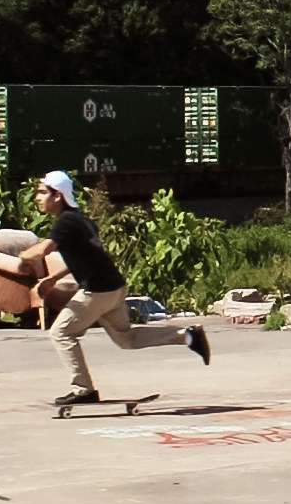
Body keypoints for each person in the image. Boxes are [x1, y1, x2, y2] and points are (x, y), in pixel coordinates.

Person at [28, 168, 212, 400]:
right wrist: (54, 278)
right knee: (126, 339)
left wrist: (22, 257)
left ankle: (83, 389)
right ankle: (187, 335)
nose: (37, 198)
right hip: (113, 287)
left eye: (43, 192)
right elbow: (87, 256)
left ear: (58, 196)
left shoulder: (65, 222)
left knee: (61, 333)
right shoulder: (80, 220)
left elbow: (42, 250)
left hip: (97, 290)